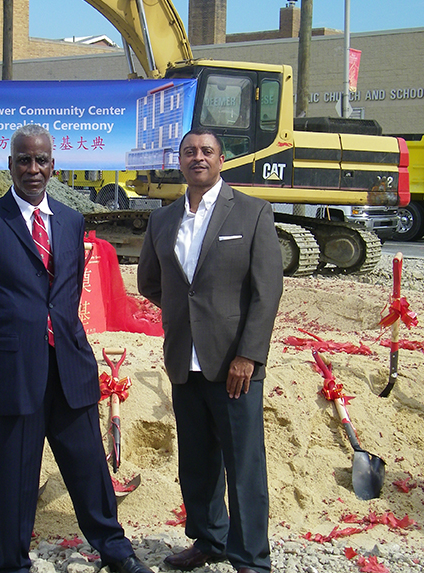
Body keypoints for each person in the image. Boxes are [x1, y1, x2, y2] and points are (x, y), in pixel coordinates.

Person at [0, 124, 152, 573]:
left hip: (68, 371)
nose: (33, 168)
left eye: (41, 160)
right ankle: (12, 563)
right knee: (13, 480)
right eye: (24, 159)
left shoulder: (70, 221)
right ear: (10, 164)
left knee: (89, 471)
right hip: (13, 375)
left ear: (53, 166)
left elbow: (64, 293)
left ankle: (116, 552)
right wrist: (0, 353)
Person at [137, 127, 283, 573]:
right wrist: (189, 316)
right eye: (189, 152)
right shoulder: (162, 220)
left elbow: (267, 290)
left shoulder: (253, 213)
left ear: (221, 159)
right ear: (179, 161)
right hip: (186, 362)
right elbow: (150, 282)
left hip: (234, 365)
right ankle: (209, 539)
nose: (197, 157)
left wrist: (249, 354)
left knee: (243, 467)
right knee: (197, 462)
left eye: (206, 151)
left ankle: (251, 557)